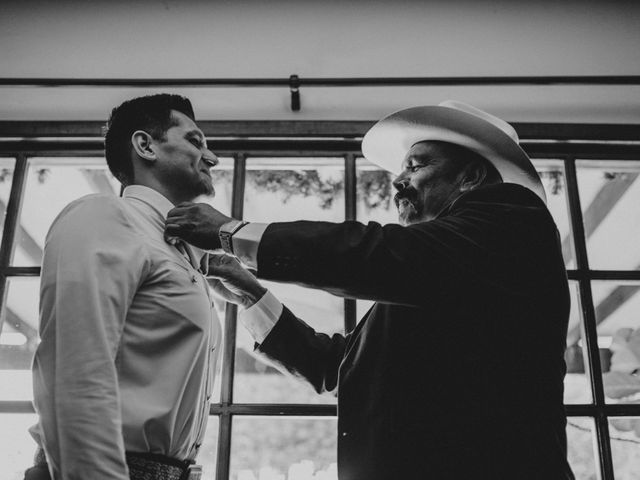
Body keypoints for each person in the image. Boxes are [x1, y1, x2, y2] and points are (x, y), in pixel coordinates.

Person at [165, 101, 575, 479]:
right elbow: (339, 369)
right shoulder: (439, 273)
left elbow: (374, 254)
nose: (397, 180)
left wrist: (230, 233)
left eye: (416, 166)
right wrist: (251, 295)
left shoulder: (512, 218)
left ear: (470, 177)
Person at [25, 94, 222, 480]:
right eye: (196, 141)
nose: (212, 158)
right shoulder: (104, 216)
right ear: (145, 145)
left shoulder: (189, 255)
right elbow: (74, 372)